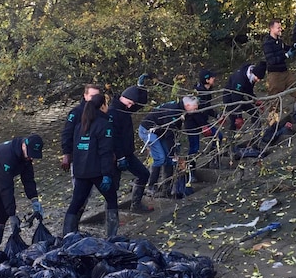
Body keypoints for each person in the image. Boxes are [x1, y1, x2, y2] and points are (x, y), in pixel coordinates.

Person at [63, 94, 117, 236]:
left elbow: (77, 148)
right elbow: (105, 152)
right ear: (103, 106)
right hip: (97, 172)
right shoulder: (104, 125)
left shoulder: (80, 125)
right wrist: (107, 174)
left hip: (81, 172)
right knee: (111, 199)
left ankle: (67, 234)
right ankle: (111, 236)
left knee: (76, 202)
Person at [138, 96, 199, 198]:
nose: (195, 110)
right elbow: (169, 134)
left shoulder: (181, 111)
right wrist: (172, 153)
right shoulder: (173, 111)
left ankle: (167, 188)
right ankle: (150, 186)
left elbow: (176, 130)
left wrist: (174, 151)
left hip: (160, 131)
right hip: (148, 130)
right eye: (195, 108)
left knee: (169, 160)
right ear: (187, 105)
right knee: (160, 158)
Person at [107, 84, 152, 213]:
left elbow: (139, 104)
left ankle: (136, 205)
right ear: (123, 98)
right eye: (129, 103)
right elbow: (113, 138)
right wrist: (120, 156)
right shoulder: (113, 113)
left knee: (143, 174)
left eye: (132, 103)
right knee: (113, 187)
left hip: (128, 153)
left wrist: (141, 89)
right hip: (115, 155)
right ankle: (111, 214)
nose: (130, 106)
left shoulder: (125, 108)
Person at [184, 69, 224, 182]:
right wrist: (203, 126)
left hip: (202, 121)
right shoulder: (198, 93)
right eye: (212, 77)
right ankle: (191, 172)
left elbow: (207, 108)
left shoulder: (208, 90)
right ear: (207, 80)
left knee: (218, 136)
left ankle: (213, 159)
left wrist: (217, 115)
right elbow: (195, 112)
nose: (214, 79)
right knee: (194, 148)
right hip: (192, 124)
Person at [262, 20, 296, 117]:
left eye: (280, 27)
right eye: (278, 27)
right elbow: (271, 60)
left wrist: (294, 46)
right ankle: (273, 123)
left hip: (285, 72)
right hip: (275, 75)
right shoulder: (267, 44)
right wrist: (286, 55)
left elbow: (286, 48)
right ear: (271, 29)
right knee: (274, 100)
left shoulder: (279, 41)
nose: (280, 29)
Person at [60, 84, 102, 172]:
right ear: (85, 96)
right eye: (92, 96)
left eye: (96, 97)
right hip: (79, 156)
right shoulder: (76, 113)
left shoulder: (102, 113)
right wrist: (66, 153)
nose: (94, 99)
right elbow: (67, 133)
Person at [222, 62, 267, 131]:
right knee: (234, 121)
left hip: (240, 97)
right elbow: (236, 99)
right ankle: (231, 135)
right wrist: (238, 116)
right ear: (253, 74)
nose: (258, 80)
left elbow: (249, 91)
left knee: (254, 112)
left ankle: (258, 132)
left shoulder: (251, 77)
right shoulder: (239, 80)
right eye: (257, 78)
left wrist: (255, 101)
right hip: (230, 99)